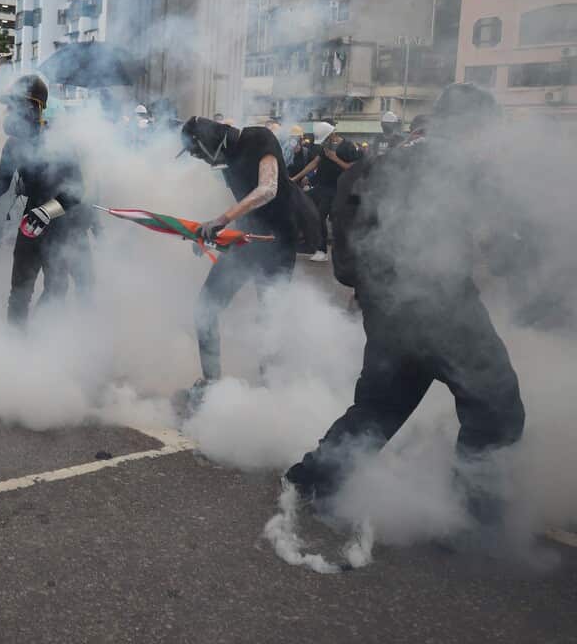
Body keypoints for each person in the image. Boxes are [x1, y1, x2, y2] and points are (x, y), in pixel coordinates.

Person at [285, 84, 525, 523]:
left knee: (381, 404)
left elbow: (344, 221)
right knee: (497, 406)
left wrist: (364, 284)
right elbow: (506, 237)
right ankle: (471, 519)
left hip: (386, 307)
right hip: (441, 305)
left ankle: (315, 477)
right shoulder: (463, 165)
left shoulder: (380, 161)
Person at [177, 115, 300, 402]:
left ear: (206, 141)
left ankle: (272, 392)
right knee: (204, 308)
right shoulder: (229, 163)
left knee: (270, 319)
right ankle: (211, 384)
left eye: (197, 152)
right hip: (247, 244)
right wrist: (213, 236)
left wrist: (221, 220)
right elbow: (249, 214)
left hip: (277, 245)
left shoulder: (258, 138)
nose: (201, 160)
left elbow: (267, 190)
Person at [0, 75, 84, 325]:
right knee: (19, 292)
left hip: (59, 226)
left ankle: (44, 343)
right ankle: (16, 345)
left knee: (56, 290)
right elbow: (1, 184)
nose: (9, 113)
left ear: (34, 107)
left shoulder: (60, 141)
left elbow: (76, 192)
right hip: (30, 225)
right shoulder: (13, 145)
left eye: (15, 106)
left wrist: (47, 212)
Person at [291, 122, 340, 262]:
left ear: (332, 134)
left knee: (319, 216)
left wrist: (335, 158)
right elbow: (314, 164)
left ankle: (321, 250)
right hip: (319, 187)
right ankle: (306, 242)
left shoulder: (345, 147)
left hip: (333, 189)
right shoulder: (324, 148)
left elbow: (352, 167)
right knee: (300, 204)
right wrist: (296, 178)